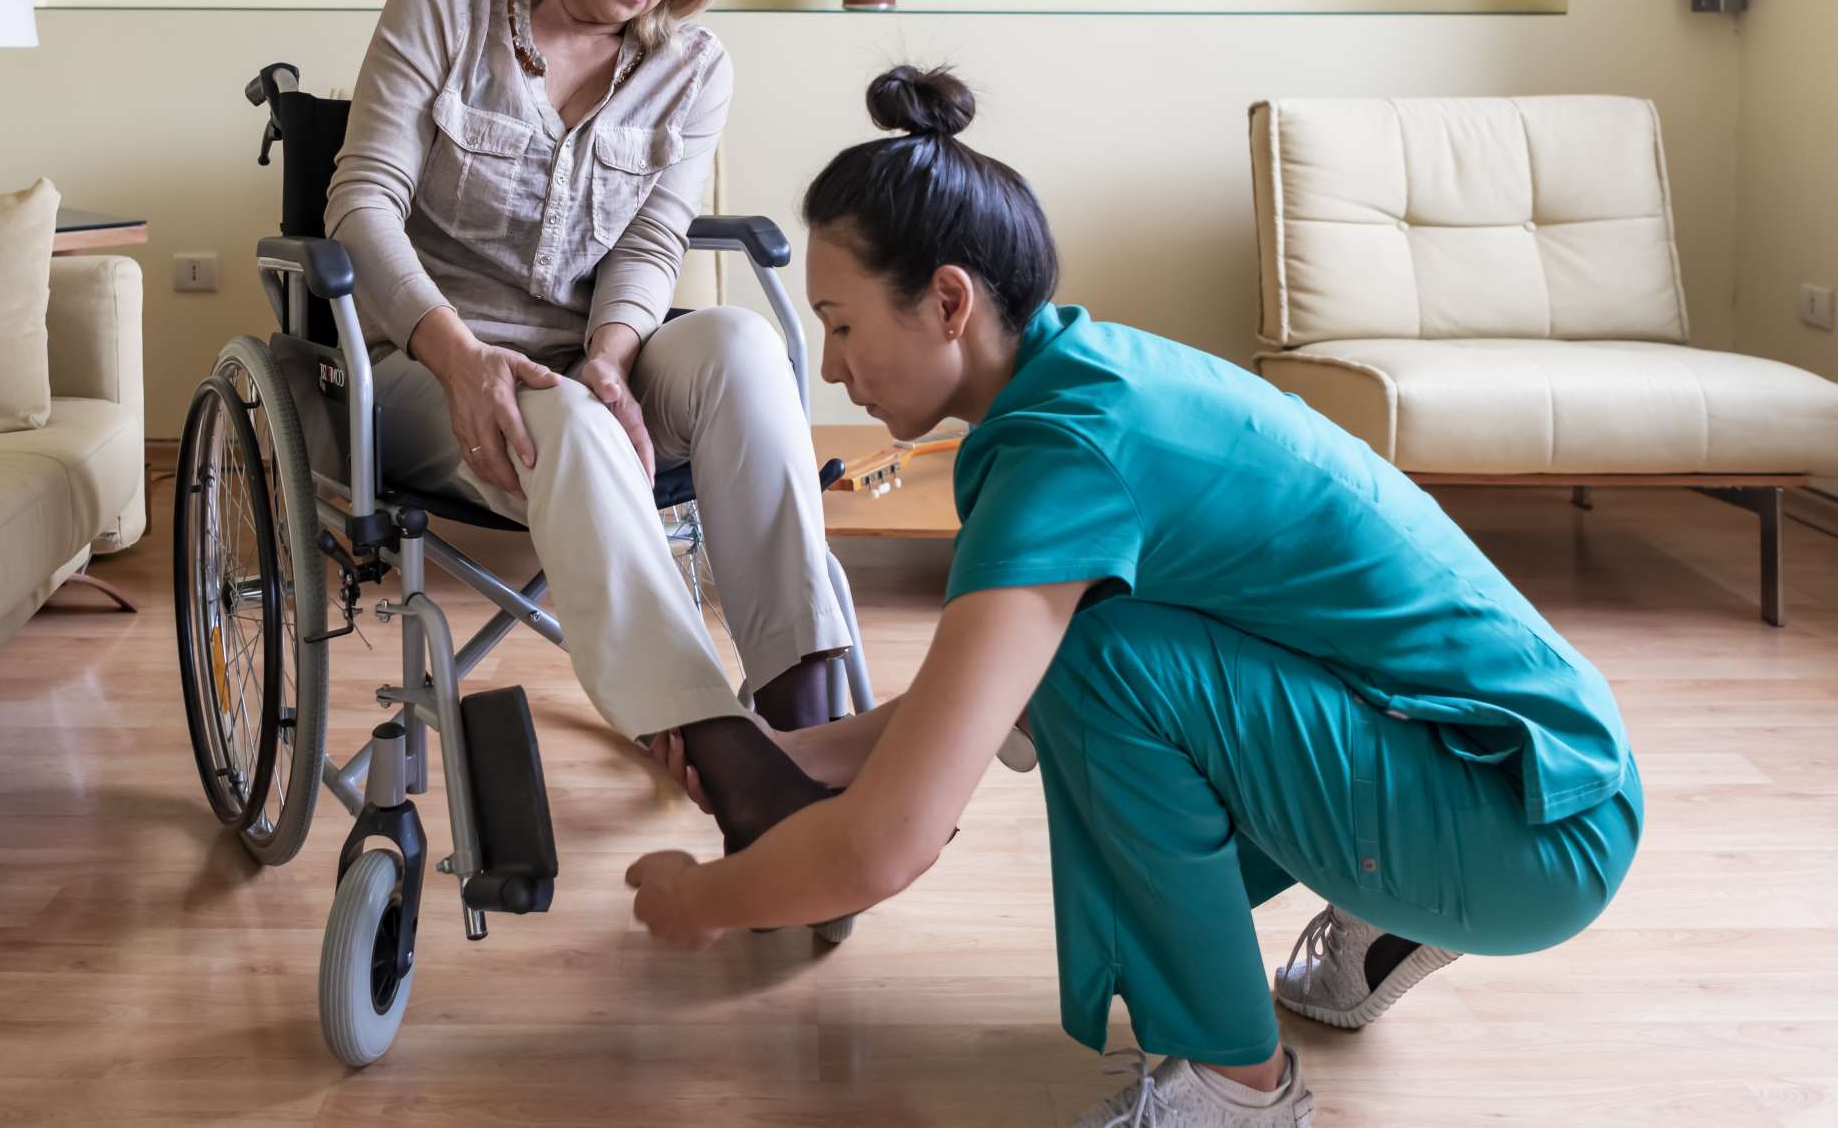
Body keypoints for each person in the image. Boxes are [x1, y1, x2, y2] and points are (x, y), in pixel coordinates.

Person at [626, 65, 1646, 1128]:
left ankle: (1233, 1087)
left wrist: (702, 901)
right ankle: (1382, 915)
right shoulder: (1088, 376)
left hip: (1520, 826)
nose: (832, 371)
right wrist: (779, 758)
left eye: (839, 325)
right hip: (1530, 772)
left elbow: (891, 843)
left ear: (945, 301)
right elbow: (971, 708)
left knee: (1093, 660)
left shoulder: (1064, 460)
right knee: (1082, 648)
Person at [326, 0, 853, 855]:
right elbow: (361, 206)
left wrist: (614, 358)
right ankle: (722, 753)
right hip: (429, 364)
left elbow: (654, 241)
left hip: (588, 353)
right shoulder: (442, 6)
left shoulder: (693, 67)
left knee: (743, 347)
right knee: (554, 413)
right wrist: (463, 354)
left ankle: (808, 710)